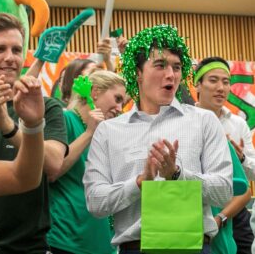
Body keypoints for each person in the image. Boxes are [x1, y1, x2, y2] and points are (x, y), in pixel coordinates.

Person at [83, 24, 233, 254]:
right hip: (134, 247)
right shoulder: (109, 131)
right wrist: (139, 183)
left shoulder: (204, 121)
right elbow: (95, 202)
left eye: (177, 67)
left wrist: (177, 174)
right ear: (138, 73)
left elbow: (224, 191)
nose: (170, 74)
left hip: (194, 247)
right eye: (160, 65)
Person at [0, 13, 68, 254]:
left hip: (31, 246)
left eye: (17, 50)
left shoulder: (46, 107)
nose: (10, 57)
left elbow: (53, 165)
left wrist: (10, 127)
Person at [47, 70, 126, 254]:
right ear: (95, 92)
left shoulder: (107, 135)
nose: (120, 108)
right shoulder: (64, 119)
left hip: (102, 242)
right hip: (67, 239)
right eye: (117, 99)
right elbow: (52, 172)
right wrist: (89, 133)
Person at [195, 56, 255, 254]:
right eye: (213, 80)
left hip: (236, 211)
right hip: (198, 209)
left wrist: (242, 160)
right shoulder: (186, 122)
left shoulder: (238, 124)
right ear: (198, 85)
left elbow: (252, 174)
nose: (221, 87)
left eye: (226, 82)